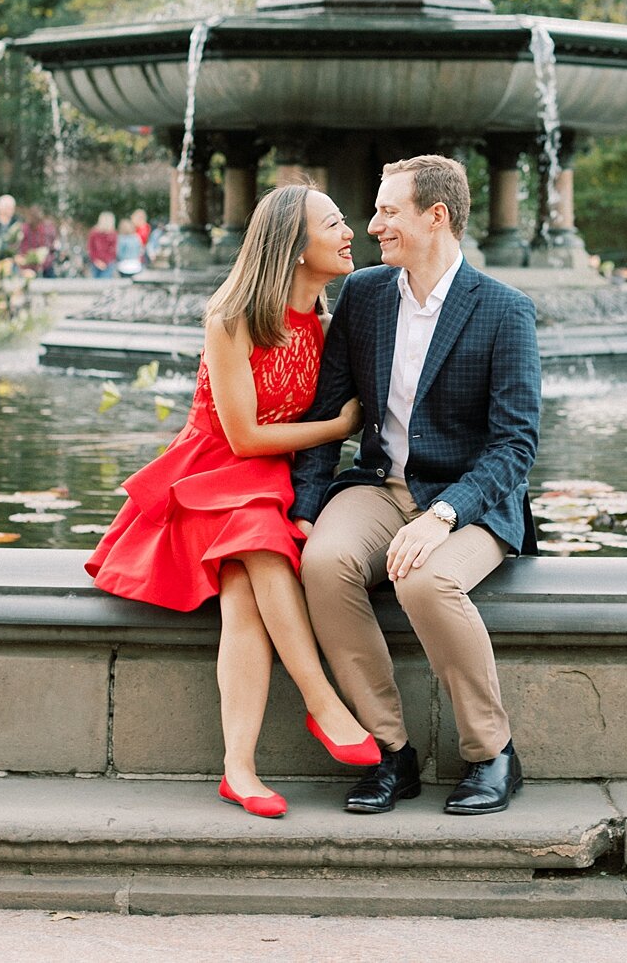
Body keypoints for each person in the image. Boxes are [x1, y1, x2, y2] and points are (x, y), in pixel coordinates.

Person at [86, 185, 379, 818]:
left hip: (273, 475)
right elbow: (242, 435)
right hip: (216, 467)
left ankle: (238, 771)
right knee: (262, 548)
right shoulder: (232, 317)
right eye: (333, 223)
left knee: (247, 592)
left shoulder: (327, 326)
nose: (349, 230)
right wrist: (337, 427)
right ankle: (322, 701)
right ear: (295, 248)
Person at [292, 154, 541, 817]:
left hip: (472, 503)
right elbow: (327, 416)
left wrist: (445, 515)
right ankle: (388, 752)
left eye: (388, 211)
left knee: (426, 581)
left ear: (436, 217)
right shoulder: (365, 295)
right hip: (381, 485)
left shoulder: (504, 311)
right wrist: (306, 509)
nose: (373, 225)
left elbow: (515, 446)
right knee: (322, 562)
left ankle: (491, 754)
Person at [18, 206, 59, 277]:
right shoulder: (24, 229)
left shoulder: (47, 228)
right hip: (28, 267)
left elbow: (53, 243)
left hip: (46, 266)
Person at [86, 211, 117, 278]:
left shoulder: (113, 234)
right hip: (97, 263)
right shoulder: (94, 233)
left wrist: (103, 262)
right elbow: (90, 248)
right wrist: (97, 261)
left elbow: (113, 250)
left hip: (107, 264)